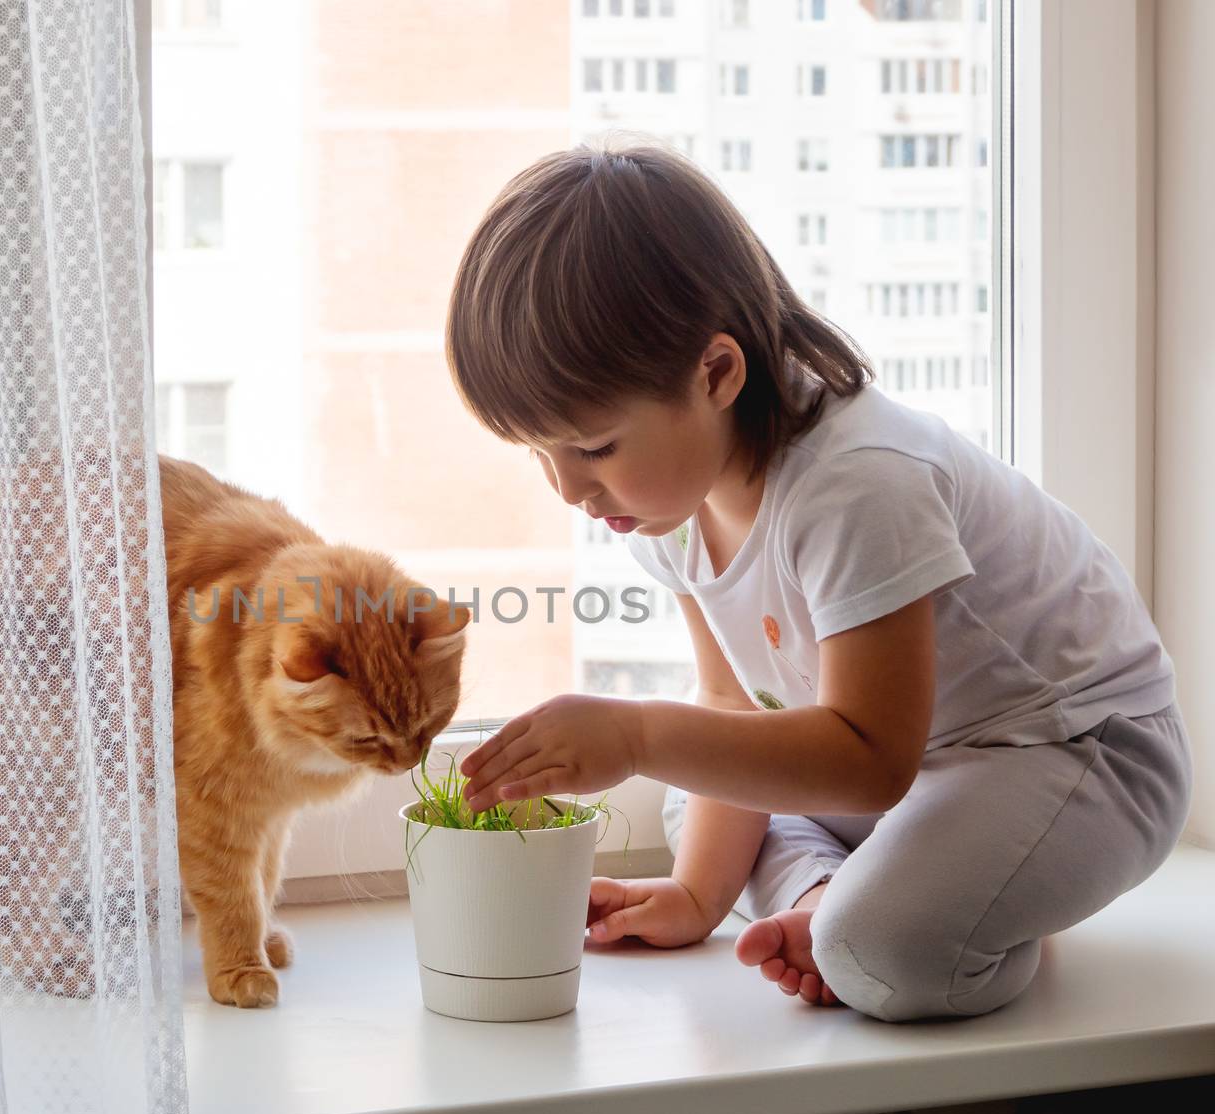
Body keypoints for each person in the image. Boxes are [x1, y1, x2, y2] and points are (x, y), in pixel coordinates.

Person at [444, 139, 1191, 1022]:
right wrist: (694, 898)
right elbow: (734, 710)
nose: (568, 488)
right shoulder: (664, 506)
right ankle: (826, 898)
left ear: (717, 373)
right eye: (539, 452)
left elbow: (869, 760)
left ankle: (948, 913)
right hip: (919, 778)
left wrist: (636, 736)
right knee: (703, 790)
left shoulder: (857, 482)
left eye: (593, 447)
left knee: (877, 949)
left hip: (1075, 754)